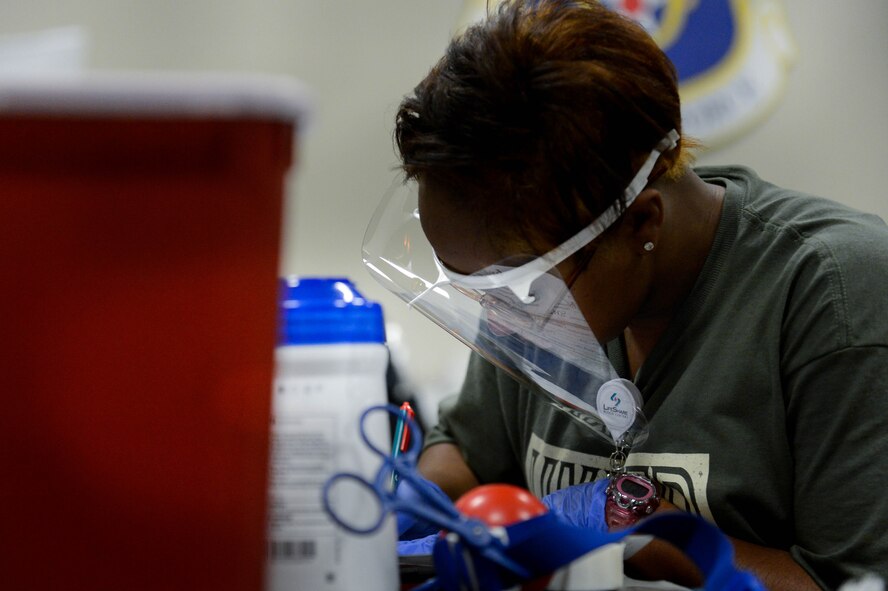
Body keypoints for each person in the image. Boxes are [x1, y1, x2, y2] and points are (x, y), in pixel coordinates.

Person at [362, 1, 888, 589]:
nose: (497, 313)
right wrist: (406, 511)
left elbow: (846, 582)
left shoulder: (835, 295)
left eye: (515, 288)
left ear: (640, 225)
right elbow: (467, 451)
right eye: (475, 287)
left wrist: (632, 521)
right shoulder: (533, 276)